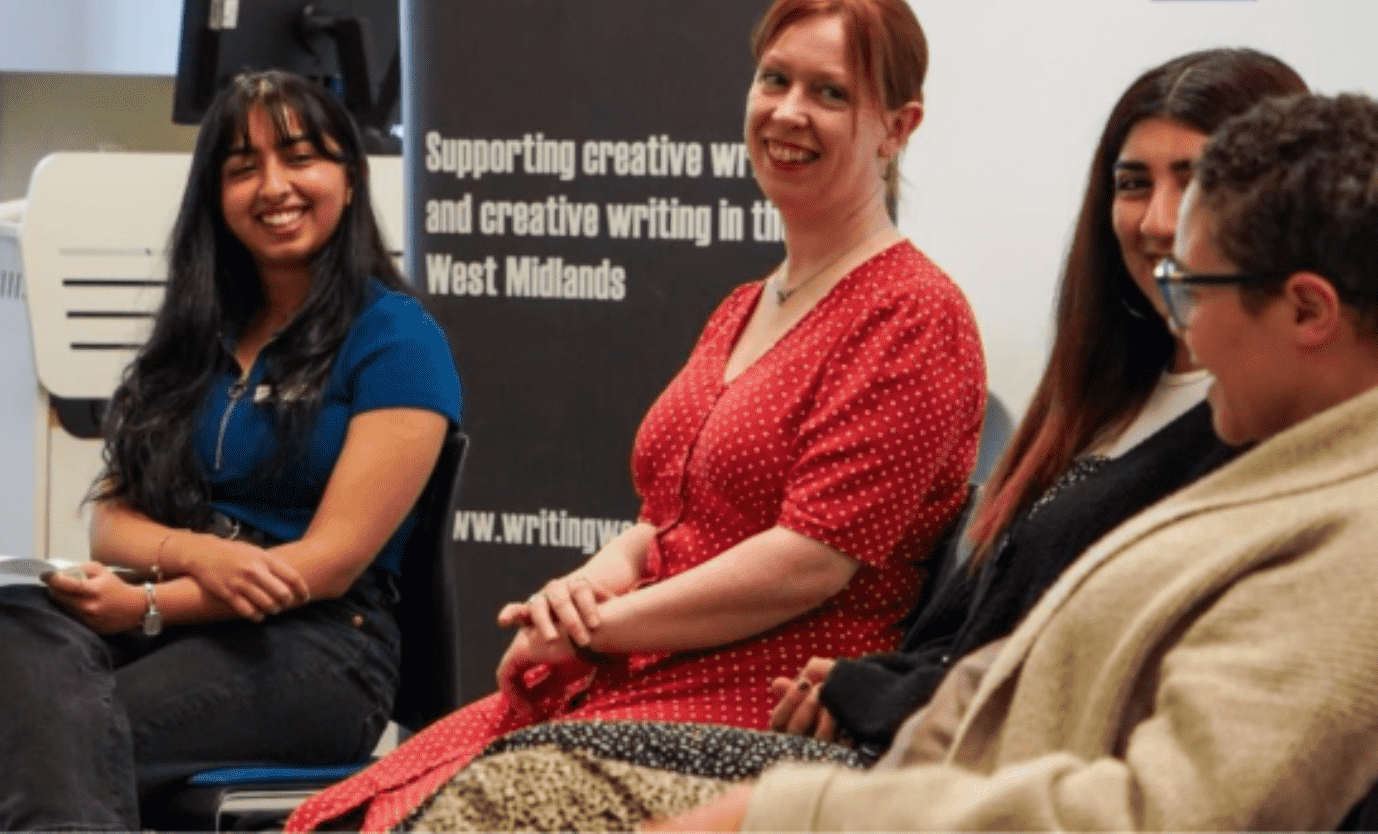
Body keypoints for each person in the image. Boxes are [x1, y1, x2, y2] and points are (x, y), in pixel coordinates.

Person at [393, 49, 1309, 833]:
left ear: (896, 127)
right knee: (460, 776)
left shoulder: (1243, 431)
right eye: (1135, 182)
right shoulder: (1097, 399)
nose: (1156, 220)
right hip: (886, 724)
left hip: (926, 762)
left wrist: (881, 690)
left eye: (1195, 180)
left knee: (527, 785)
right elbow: (672, 512)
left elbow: (836, 573)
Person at [658, 92, 1378, 832]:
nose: (1184, 323)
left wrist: (799, 814)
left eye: (1194, 286)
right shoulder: (1369, 470)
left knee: (539, 800)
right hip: (945, 781)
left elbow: (1159, 818)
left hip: (949, 801)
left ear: (1309, 311)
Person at [286, 0, 988, 832]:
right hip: (645, 671)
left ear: (898, 128)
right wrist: (580, 591)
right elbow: (666, 518)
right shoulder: (745, 304)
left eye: (831, 94)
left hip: (761, 702)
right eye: (775, 79)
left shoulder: (914, 313)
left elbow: (810, 560)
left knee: (457, 814)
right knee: (349, 814)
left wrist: (598, 629)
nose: (788, 112)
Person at [0, 70, 462, 831]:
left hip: (320, 651)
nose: (274, 185)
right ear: (215, 199)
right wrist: (199, 560)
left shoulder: (398, 339)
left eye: (300, 157)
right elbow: (111, 523)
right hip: (186, 623)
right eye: (242, 167)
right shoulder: (194, 338)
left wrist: (148, 604)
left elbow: (328, 564)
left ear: (349, 181)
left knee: (57, 742)